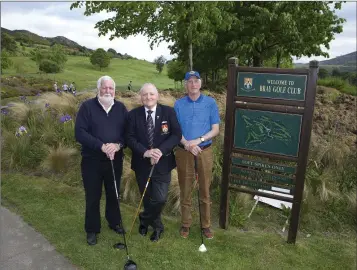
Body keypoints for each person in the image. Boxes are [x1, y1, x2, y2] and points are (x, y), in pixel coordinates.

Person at [75, 75, 128, 246]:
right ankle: (92, 229)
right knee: (93, 196)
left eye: (110, 88)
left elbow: (127, 134)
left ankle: (114, 222)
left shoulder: (121, 108)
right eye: (104, 88)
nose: (107, 91)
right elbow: (80, 133)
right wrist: (101, 146)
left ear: (114, 90)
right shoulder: (87, 107)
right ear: (99, 89)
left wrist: (118, 145)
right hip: (92, 161)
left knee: (113, 193)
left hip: (115, 160)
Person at [126, 83, 181, 242]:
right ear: (140, 97)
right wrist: (146, 152)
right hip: (142, 164)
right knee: (147, 197)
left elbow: (176, 135)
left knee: (160, 198)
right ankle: (157, 226)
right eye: (145, 95)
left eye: (151, 94)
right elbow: (129, 138)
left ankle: (145, 218)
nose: (148, 97)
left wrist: (160, 151)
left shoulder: (168, 112)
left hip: (163, 164)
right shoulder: (133, 115)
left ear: (157, 95)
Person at [174, 71, 220, 240]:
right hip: (184, 151)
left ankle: (206, 225)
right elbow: (175, 130)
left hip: (204, 151)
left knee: (205, 189)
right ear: (185, 84)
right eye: (189, 81)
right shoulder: (178, 104)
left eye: (196, 81)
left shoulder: (210, 103)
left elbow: (215, 129)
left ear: (200, 83)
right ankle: (185, 224)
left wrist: (198, 140)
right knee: (185, 188)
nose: (193, 84)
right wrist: (187, 144)